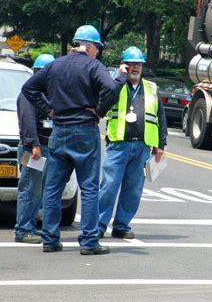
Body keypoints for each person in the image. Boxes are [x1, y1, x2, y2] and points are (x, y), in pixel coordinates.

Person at [22, 25, 126, 255]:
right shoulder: (93, 65)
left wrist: (49, 109)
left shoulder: (55, 65)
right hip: (85, 130)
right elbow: (110, 87)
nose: (97, 52)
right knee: (89, 187)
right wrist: (99, 110)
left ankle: (50, 239)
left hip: (60, 129)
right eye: (97, 47)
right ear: (89, 47)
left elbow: (29, 88)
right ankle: (89, 241)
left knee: (52, 187)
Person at [98, 46, 167, 239]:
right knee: (109, 186)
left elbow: (160, 117)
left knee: (133, 189)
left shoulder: (151, 88)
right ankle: (99, 225)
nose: (134, 68)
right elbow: (102, 106)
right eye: (130, 64)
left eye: (138, 64)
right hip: (119, 144)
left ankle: (121, 225)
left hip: (143, 145)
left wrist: (161, 144)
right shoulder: (115, 85)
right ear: (123, 65)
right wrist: (119, 79)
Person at [14, 54, 55, 244]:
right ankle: (23, 229)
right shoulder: (28, 95)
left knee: (37, 190)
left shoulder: (43, 94)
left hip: (41, 147)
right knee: (30, 189)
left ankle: (28, 226)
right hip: (33, 149)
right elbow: (28, 122)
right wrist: (34, 145)